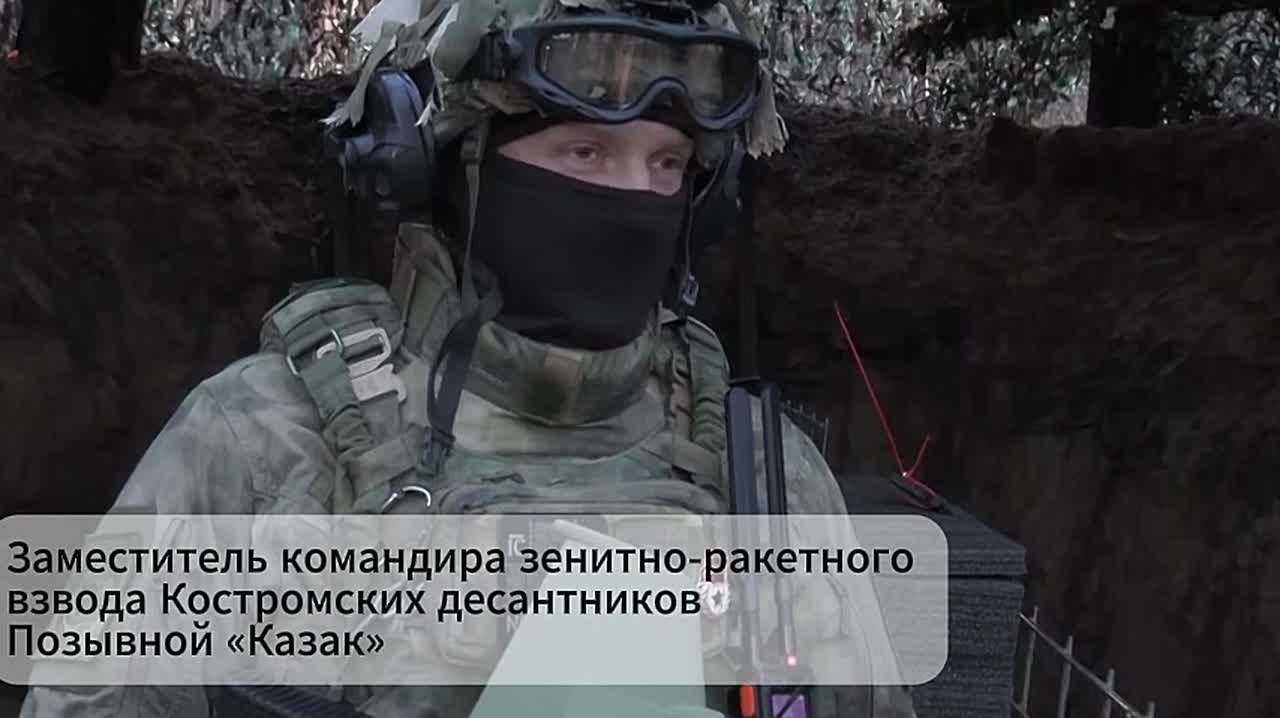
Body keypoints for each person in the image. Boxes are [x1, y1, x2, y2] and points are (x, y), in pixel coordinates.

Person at [19, 0, 919, 715]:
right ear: (444, 165)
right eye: (585, 151)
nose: (633, 197)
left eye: (667, 165)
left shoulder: (762, 477)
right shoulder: (264, 445)